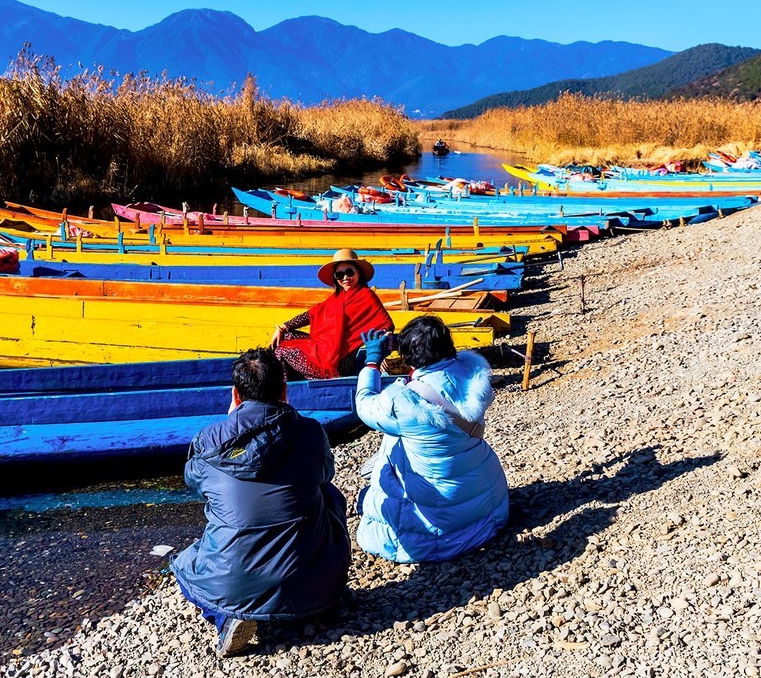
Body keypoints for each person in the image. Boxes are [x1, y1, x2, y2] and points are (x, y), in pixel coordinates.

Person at [171, 348, 352, 657]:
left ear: (235, 395)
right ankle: (322, 594)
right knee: (328, 494)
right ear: (285, 390)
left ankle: (226, 616)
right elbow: (326, 474)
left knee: (185, 563)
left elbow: (195, 481)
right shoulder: (310, 432)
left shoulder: (209, 440)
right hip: (313, 581)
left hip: (232, 582)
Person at [352, 315, 509, 563]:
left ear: (408, 355)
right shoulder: (473, 375)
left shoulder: (404, 401)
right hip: (488, 507)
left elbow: (365, 406)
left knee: (370, 490)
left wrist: (372, 363)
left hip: (437, 533)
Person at [269, 248, 394, 380]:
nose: (345, 278)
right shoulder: (337, 298)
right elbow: (311, 315)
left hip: (342, 361)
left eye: (349, 272)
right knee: (286, 337)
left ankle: (283, 391)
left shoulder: (367, 296)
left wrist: (380, 354)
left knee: (280, 351)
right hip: (325, 347)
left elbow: (386, 325)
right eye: (339, 275)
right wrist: (282, 327)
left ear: (359, 273)